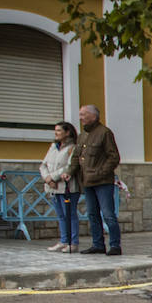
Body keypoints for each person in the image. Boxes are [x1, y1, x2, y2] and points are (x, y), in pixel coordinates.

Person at [72, 104, 122, 255]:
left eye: (83, 114)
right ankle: (98, 244)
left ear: (93, 116)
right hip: (87, 181)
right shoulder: (82, 135)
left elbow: (114, 157)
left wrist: (100, 172)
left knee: (108, 214)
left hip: (102, 182)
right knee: (92, 214)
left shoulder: (104, 133)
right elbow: (76, 157)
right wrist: (69, 172)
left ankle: (115, 245)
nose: (80, 118)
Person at [40, 121, 80, 253]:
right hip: (52, 187)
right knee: (61, 215)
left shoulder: (73, 147)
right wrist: (47, 178)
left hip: (67, 186)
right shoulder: (53, 146)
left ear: (67, 132)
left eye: (58, 130)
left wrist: (53, 177)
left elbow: (69, 166)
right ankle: (63, 240)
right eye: (55, 130)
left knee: (70, 214)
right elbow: (43, 165)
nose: (55, 133)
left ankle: (72, 242)